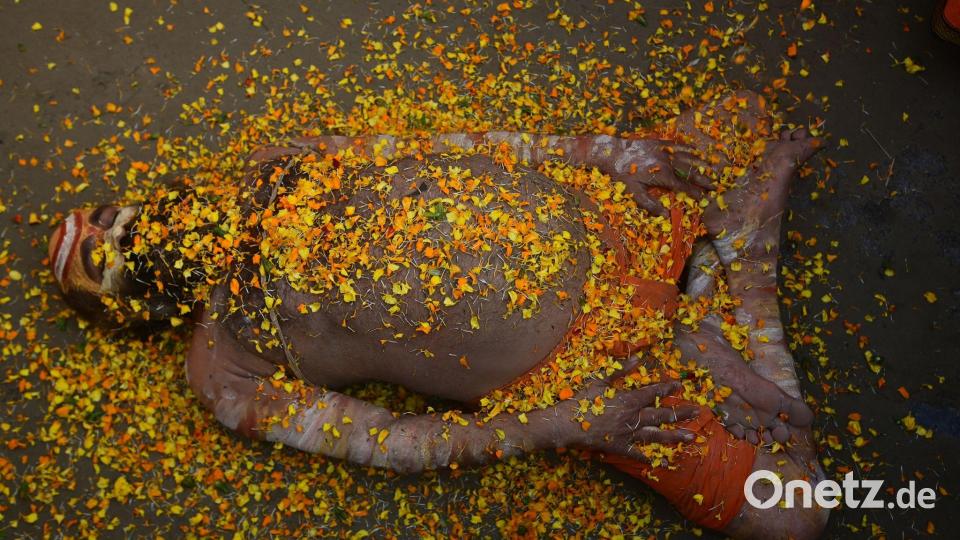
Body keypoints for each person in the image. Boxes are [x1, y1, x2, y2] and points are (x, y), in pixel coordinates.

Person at [49, 91, 828, 538]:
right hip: (599, 371)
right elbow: (392, 442)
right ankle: (735, 271)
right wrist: (564, 425)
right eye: (107, 258)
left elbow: (447, 145)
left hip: (615, 214)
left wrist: (606, 155)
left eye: (111, 216)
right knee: (798, 513)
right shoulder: (221, 369)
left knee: (745, 113)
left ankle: (725, 280)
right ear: (135, 307)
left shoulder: (271, 162)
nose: (127, 233)